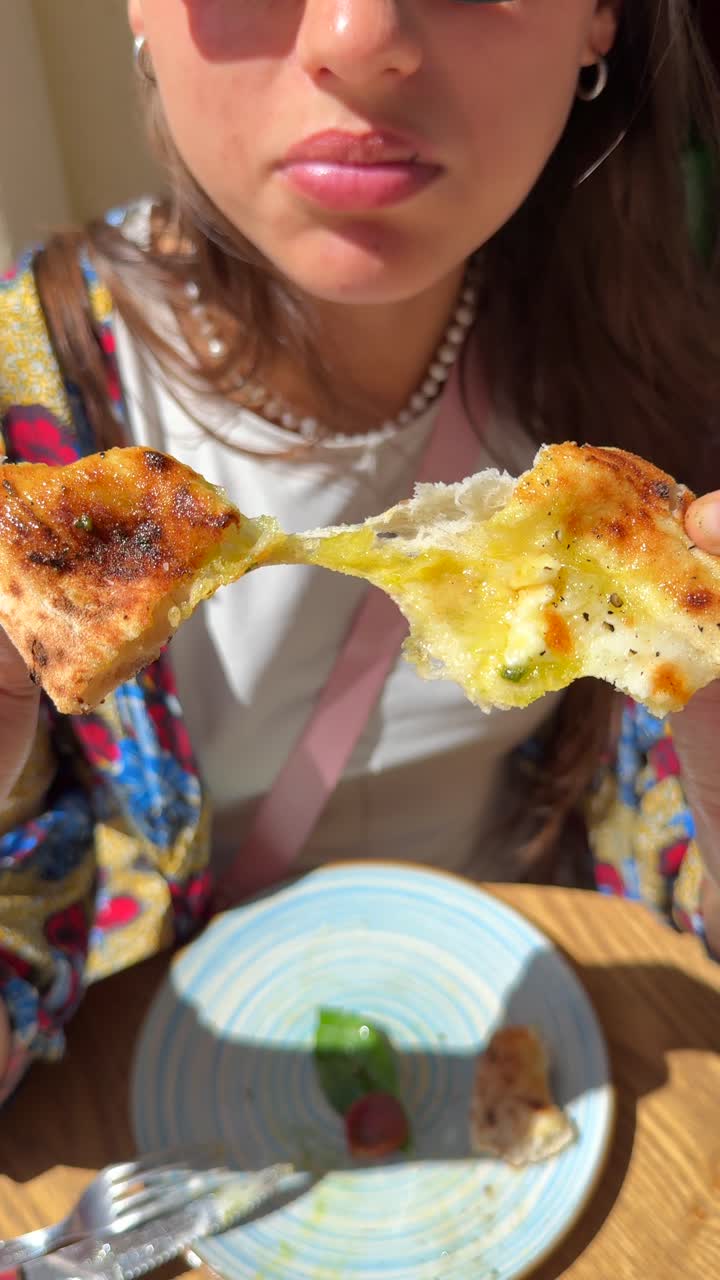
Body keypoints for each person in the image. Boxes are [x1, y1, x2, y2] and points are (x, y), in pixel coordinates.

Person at [1, 0, 719, 1105]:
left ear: (599, 16)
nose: (354, 31)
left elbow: (665, 863)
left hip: (555, 1078)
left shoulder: (651, 406)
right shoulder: (25, 424)